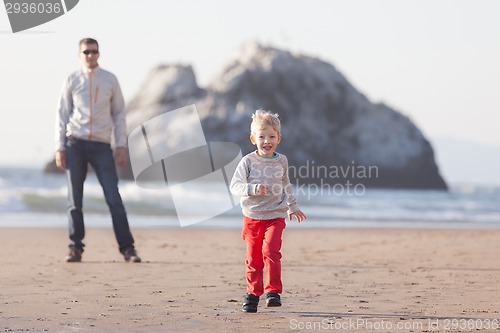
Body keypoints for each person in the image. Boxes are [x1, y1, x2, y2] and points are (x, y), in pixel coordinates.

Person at [55, 37, 141, 263]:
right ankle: (75, 247)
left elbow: (119, 114)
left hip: (102, 145)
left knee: (113, 197)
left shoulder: (110, 80)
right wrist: (59, 147)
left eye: (94, 52)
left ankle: (128, 248)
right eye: (86, 52)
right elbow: (62, 115)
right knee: (75, 199)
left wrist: (120, 144)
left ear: (99, 54)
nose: (90, 55)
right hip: (75, 143)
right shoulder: (72, 80)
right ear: (79, 54)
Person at [230, 109, 306, 313]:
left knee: (271, 251)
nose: (267, 141)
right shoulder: (247, 161)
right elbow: (235, 186)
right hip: (253, 217)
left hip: (276, 214)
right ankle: (253, 294)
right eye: (262, 136)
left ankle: (273, 292)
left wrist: (293, 206)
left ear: (279, 138)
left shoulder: (282, 160)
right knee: (254, 258)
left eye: (271, 136)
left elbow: (286, 183)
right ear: (253, 138)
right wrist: (252, 189)